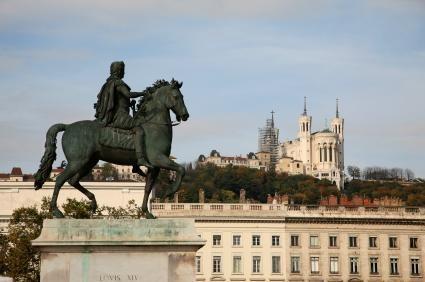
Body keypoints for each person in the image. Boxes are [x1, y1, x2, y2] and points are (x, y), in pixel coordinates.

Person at [95, 61, 152, 168]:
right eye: (123, 70)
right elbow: (128, 94)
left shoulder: (107, 84)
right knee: (139, 129)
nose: (124, 73)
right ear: (119, 71)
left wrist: (129, 103)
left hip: (113, 114)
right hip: (119, 116)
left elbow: (118, 99)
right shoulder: (118, 83)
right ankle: (139, 159)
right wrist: (144, 93)